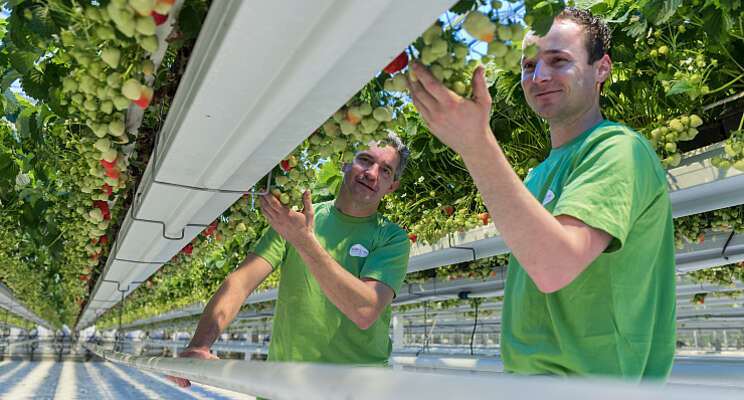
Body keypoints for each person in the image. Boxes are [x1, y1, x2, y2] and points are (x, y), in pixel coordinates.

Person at [407, 8, 675, 379]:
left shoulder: (619, 150)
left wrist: (475, 145)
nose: (540, 76)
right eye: (528, 66)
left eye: (559, 61)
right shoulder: (537, 175)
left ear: (602, 68)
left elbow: (553, 267)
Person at [166, 133, 411, 388]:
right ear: (344, 161)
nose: (372, 173)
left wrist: (304, 240)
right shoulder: (296, 220)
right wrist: (200, 345)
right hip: (285, 384)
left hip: (356, 389)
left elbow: (364, 310)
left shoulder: (392, 238)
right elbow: (240, 283)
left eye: (385, 171)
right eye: (365, 160)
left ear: (392, 186)